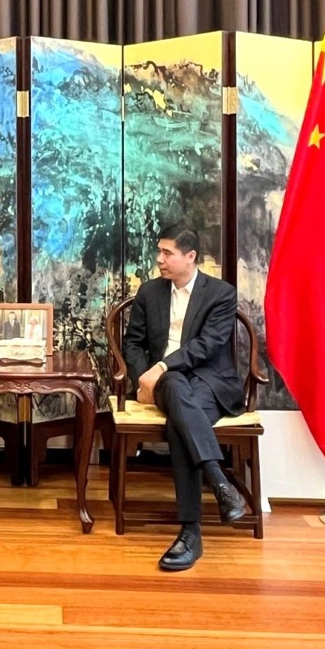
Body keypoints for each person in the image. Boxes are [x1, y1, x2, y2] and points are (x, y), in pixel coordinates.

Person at [122, 227, 246, 572]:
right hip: (165, 383)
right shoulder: (150, 292)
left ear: (190, 257)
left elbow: (207, 346)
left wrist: (160, 366)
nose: (159, 259)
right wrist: (140, 381)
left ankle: (192, 529)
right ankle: (218, 486)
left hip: (209, 381)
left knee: (181, 418)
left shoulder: (221, 294)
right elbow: (132, 343)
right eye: (159, 252)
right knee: (176, 391)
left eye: (167, 253)